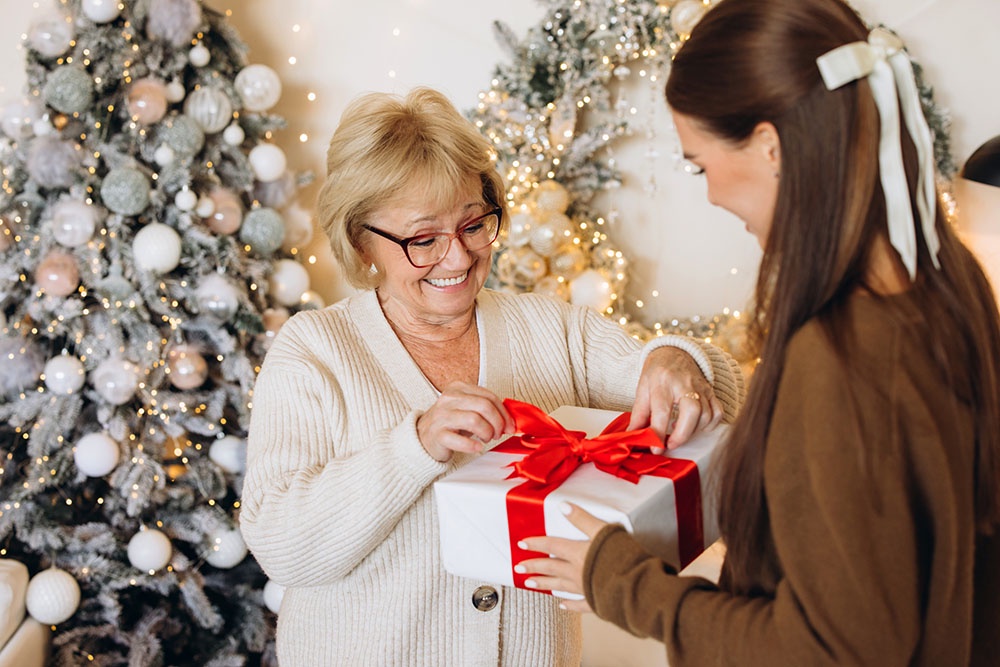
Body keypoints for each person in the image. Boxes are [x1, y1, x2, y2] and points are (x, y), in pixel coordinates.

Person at [516, 0, 1000, 664]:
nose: (712, 195)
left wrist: (623, 582)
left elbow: (829, 650)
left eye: (700, 164)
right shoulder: (950, 280)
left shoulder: (840, 354)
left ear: (771, 146)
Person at [238, 86, 745, 666]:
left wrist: (678, 358)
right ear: (362, 242)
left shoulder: (550, 328)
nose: (458, 258)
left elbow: (720, 397)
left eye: (473, 225)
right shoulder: (315, 351)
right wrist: (414, 446)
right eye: (424, 239)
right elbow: (283, 547)